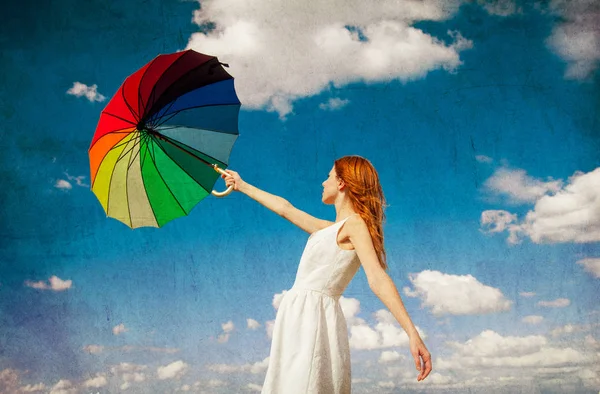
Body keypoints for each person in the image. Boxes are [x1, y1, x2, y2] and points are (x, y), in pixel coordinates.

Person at [221, 155, 432, 393]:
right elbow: (285, 209)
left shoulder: (355, 225)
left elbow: (377, 278)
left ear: (341, 182)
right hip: (297, 316)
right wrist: (242, 185)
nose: (323, 182)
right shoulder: (328, 229)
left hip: (314, 317)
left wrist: (412, 333)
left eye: (328, 176)